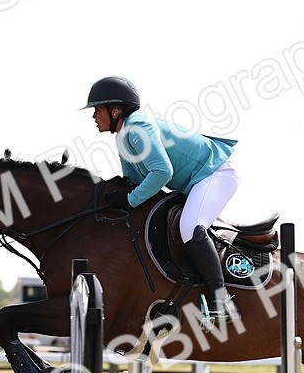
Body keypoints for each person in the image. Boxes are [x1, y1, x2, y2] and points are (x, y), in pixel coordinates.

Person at [84, 75, 240, 324]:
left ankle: (222, 302)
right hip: (195, 181)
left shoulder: (137, 128)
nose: (93, 116)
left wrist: (130, 200)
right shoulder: (123, 136)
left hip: (215, 174)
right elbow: (133, 181)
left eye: (97, 110)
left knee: (189, 227)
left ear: (115, 110)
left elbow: (162, 172)